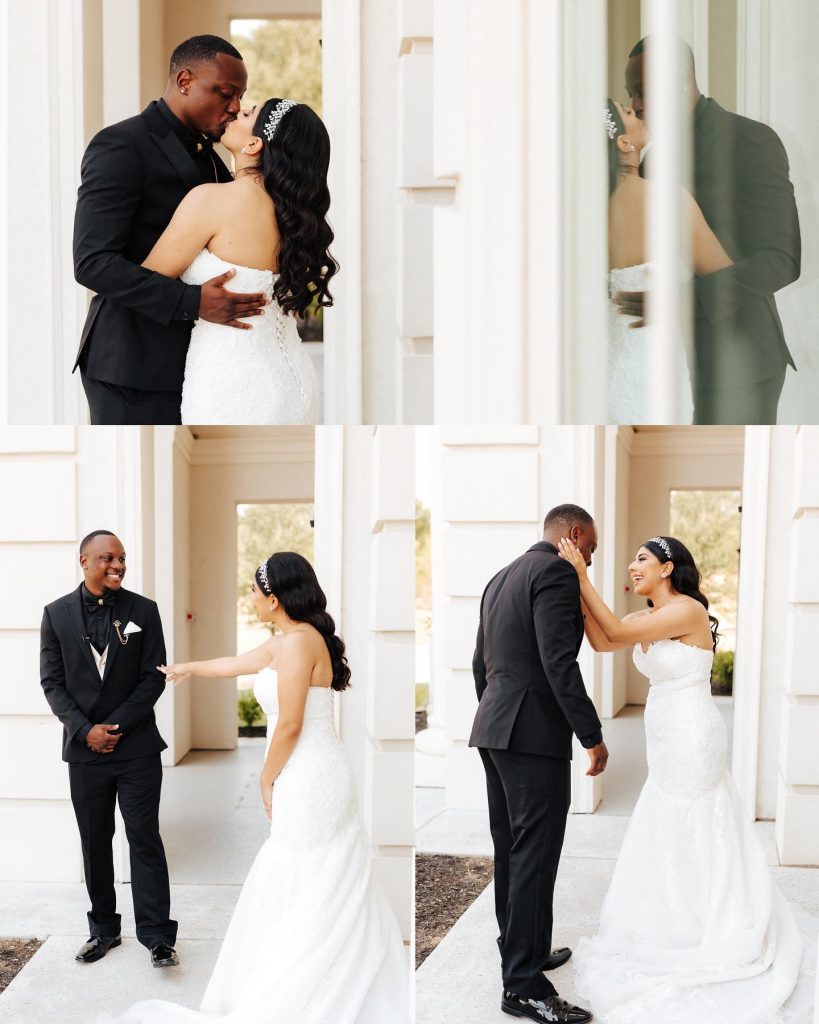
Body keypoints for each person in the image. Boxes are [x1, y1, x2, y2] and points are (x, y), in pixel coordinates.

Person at [97, 552, 409, 1024]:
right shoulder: (290, 639)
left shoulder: (299, 645)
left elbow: (290, 724)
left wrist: (266, 778)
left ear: (275, 598)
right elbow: (236, 664)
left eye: (254, 590)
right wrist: (186, 668)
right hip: (316, 769)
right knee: (317, 877)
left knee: (310, 875)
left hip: (308, 775)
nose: (250, 596)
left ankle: (312, 986)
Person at [558, 533, 816, 1024]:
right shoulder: (645, 619)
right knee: (666, 816)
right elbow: (603, 637)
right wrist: (571, 585)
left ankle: (707, 923)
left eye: (641, 559)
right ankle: (671, 918)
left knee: (696, 817)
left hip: (694, 734)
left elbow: (609, 624)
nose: (632, 567)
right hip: (665, 733)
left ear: (667, 567)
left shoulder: (688, 612)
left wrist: (581, 576)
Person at [73, 35, 270, 425]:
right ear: (184, 81)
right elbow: (92, 264)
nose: (234, 108)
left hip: (193, 365)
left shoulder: (213, 158)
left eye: (240, 97)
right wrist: (191, 302)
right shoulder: (121, 145)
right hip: (130, 367)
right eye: (225, 93)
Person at [469, 505, 608, 1024]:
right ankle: (523, 987)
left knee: (513, 847)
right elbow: (558, 660)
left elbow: (481, 663)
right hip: (532, 735)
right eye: (589, 549)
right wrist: (591, 735)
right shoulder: (555, 571)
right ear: (573, 535)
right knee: (537, 852)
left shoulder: (499, 577)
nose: (588, 560)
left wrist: (497, 715)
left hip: (494, 728)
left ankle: (522, 946)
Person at [615, 37, 801, 424]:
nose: (635, 105)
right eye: (631, 95)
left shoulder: (752, 140)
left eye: (643, 91)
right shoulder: (650, 162)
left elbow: (780, 262)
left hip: (740, 361)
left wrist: (681, 300)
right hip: (671, 362)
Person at [142, 95, 335, 424]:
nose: (234, 112)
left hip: (231, 383)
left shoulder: (211, 200)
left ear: (254, 145)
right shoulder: (296, 218)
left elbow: (145, 281)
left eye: (247, 113)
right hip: (296, 387)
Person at [40, 531, 178, 969]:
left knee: (144, 839)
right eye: (107, 558)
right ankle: (103, 930)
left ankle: (158, 937)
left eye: (122, 558)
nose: (117, 565)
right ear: (83, 560)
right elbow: (52, 683)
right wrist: (85, 731)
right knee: (95, 841)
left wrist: (114, 726)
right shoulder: (56, 614)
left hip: (136, 748)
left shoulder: (144, 611)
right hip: (84, 753)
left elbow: (153, 677)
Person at [605, 96, 732, 423]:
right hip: (653, 373)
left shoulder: (573, 211)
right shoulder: (666, 200)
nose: (638, 111)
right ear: (622, 141)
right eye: (629, 112)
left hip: (594, 375)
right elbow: (726, 283)